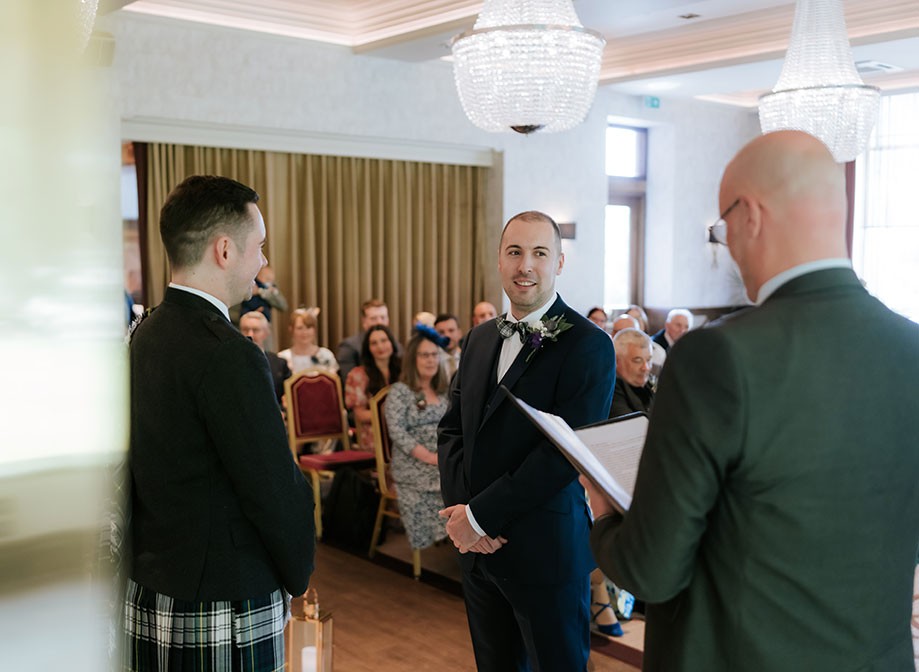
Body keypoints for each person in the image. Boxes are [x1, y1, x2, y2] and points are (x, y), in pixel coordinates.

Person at [584, 130, 919, 672]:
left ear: (752, 216)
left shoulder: (716, 357)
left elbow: (651, 570)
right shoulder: (912, 349)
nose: (727, 244)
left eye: (722, 225)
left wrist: (603, 512)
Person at [125, 175, 315, 671]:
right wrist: (299, 575)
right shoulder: (230, 354)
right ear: (225, 249)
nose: (264, 262)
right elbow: (272, 488)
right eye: (260, 247)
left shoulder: (145, 333)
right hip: (222, 600)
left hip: (153, 582)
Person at [438, 210, 615, 671]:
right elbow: (452, 431)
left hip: (545, 554)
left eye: (539, 253)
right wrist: (466, 521)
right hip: (478, 555)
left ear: (559, 262)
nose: (525, 266)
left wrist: (481, 516)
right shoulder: (478, 340)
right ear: (498, 259)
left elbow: (561, 457)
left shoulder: (590, 345)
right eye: (514, 252)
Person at [384, 330, 450, 551]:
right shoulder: (400, 391)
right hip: (413, 463)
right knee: (452, 484)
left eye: (434, 354)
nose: (431, 360)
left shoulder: (444, 391)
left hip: (443, 458)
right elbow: (398, 432)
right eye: (424, 355)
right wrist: (431, 457)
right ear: (413, 359)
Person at [344, 325, 401, 450]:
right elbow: (361, 415)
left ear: (392, 342)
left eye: (384, 341)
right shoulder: (358, 375)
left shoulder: (405, 370)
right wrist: (392, 415)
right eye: (374, 343)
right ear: (368, 348)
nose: (380, 347)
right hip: (375, 432)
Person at [239, 310, 291, 404]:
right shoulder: (230, 362)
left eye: (255, 330)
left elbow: (291, 397)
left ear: (266, 333)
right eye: (245, 330)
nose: (250, 335)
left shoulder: (279, 363)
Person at [609, 328, 654, 417]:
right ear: (617, 360)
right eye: (637, 360)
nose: (646, 368)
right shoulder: (611, 391)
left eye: (648, 360)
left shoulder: (648, 385)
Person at [277, 307, 338, 374]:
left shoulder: (326, 355)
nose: (305, 332)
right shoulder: (283, 358)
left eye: (309, 327)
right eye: (300, 328)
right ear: (291, 329)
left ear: (314, 329)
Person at [434, 312, 463, 378]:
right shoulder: (431, 361)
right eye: (441, 332)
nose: (447, 335)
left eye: (451, 330)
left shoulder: (468, 359)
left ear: (459, 333)